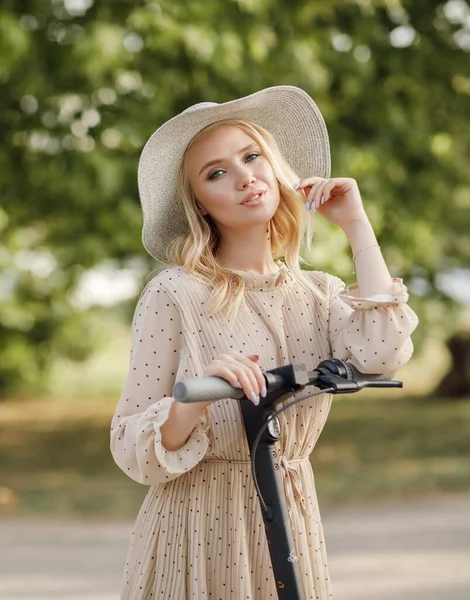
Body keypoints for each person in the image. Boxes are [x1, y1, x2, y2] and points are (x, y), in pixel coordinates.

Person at [110, 86, 419, 599]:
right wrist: (196, 397)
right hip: (197, 528)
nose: (244, 176)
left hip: (292, 516)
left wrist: (356, 224)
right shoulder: (176, 293)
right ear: (200, 205)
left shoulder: (317, 294)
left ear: (274, 167)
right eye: (216, 172)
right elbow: (130, 446)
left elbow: (383, 351)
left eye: (251, 157)